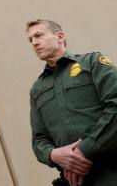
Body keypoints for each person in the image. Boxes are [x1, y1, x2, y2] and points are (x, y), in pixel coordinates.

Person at [27, 19, 117, 186]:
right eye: (30, 40)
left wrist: (83, 151)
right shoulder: (37, 90)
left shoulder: (92, 63)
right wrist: (54, 155)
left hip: (110, 171)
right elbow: (39, 140)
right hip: (75, 180)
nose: (34, 42)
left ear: (59, 36)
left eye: (38, 35)